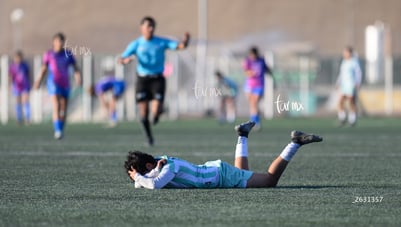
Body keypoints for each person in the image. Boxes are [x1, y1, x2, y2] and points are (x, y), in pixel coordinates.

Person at [124, 121, 322, 189]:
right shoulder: (159, 162)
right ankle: (242, 135)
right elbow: (141, 182)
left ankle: (294, 143)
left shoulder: (168, 168)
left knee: (270, 181)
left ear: (149, 166)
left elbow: (154, 185)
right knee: (243, 173)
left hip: (221, 176)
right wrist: (139, 177)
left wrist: (140, 177)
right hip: (217, 172)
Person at [118, 16, 190, 146]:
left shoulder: (161, 42)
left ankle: (156, 116)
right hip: (143, 79)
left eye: (152, 26)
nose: (151, 29)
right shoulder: (136, 44)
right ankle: (149, 137)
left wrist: (185, 41)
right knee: (143, 112)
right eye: (148, 26)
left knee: (156, 111)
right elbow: (121, 58)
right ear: (142, 28)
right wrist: (125, 61)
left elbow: (179, 46)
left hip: (157, 79)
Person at [33, 32, 81, 139]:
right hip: (53, 83)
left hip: (65, 83)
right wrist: (38, 81)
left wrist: (78, 78)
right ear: (53, 42)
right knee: (56, 105)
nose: (60, 43)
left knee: (63, 109)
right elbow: (44, 69)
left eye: (62, 41)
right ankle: (57, 130)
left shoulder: (67, 54)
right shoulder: (49, 54)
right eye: (58, 41)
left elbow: (75, 68)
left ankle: (60, 129)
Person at [243, 46, 273, 130]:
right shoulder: (247, 60)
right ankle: (255, 120)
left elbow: (267, 70)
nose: (252, 57)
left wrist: (271, 75)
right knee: (252, 104)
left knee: (254, 103)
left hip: (259, 85)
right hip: (249, 85)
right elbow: (246, 72)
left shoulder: (261, 60)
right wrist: (251, 73)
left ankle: (255, 122)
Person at [336, 46, 362, 126]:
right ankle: (342, 118)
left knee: (351, 102)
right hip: (344, 85)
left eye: (346, 52)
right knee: (340, 101)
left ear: (350, 53)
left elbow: (358, 73)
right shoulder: (344, 62)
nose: (344, 54)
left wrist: (358, 82)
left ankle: (352, 119)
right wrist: (338, 82)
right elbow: (341, 74)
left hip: (351, 84)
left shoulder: (354, 62)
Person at [9, 50, 31, 125]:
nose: (18, 59)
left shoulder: (25, 65)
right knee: (18, 102)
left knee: (26, 101)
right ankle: (19, 118)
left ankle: (27, 118)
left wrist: (29, 83)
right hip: (17, 86)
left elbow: (28, 75)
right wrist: (11, 85)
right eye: (16, 58)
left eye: (19, 57)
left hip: (25, 85)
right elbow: (11, 77)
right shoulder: (12, 66)